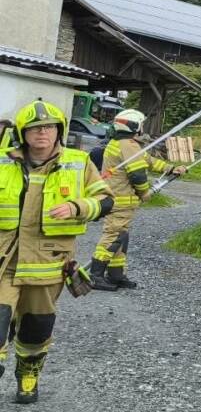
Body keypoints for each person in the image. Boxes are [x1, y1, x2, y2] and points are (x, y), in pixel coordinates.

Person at [0, 100, 113, 403]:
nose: (42, 133)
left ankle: (28, 374)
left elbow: (106, 200)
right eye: (35, 128)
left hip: (47, 265)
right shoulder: (2, 161)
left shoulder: (79, 162)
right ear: (23, 133)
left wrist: (78, 207)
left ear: (59, 131)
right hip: (4, 262)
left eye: (49, 127)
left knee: (36, 328)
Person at [89, 109, 184, 292]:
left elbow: (148, 161)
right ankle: (96, 275)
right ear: (134, 126)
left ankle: (116, 274)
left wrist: (171, 169)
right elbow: (138, 174)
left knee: (121, 237)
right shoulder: (128, 145)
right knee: (113, 236)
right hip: (120, 201)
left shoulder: (123, 143)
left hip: (119, 200)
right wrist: (144, 193)